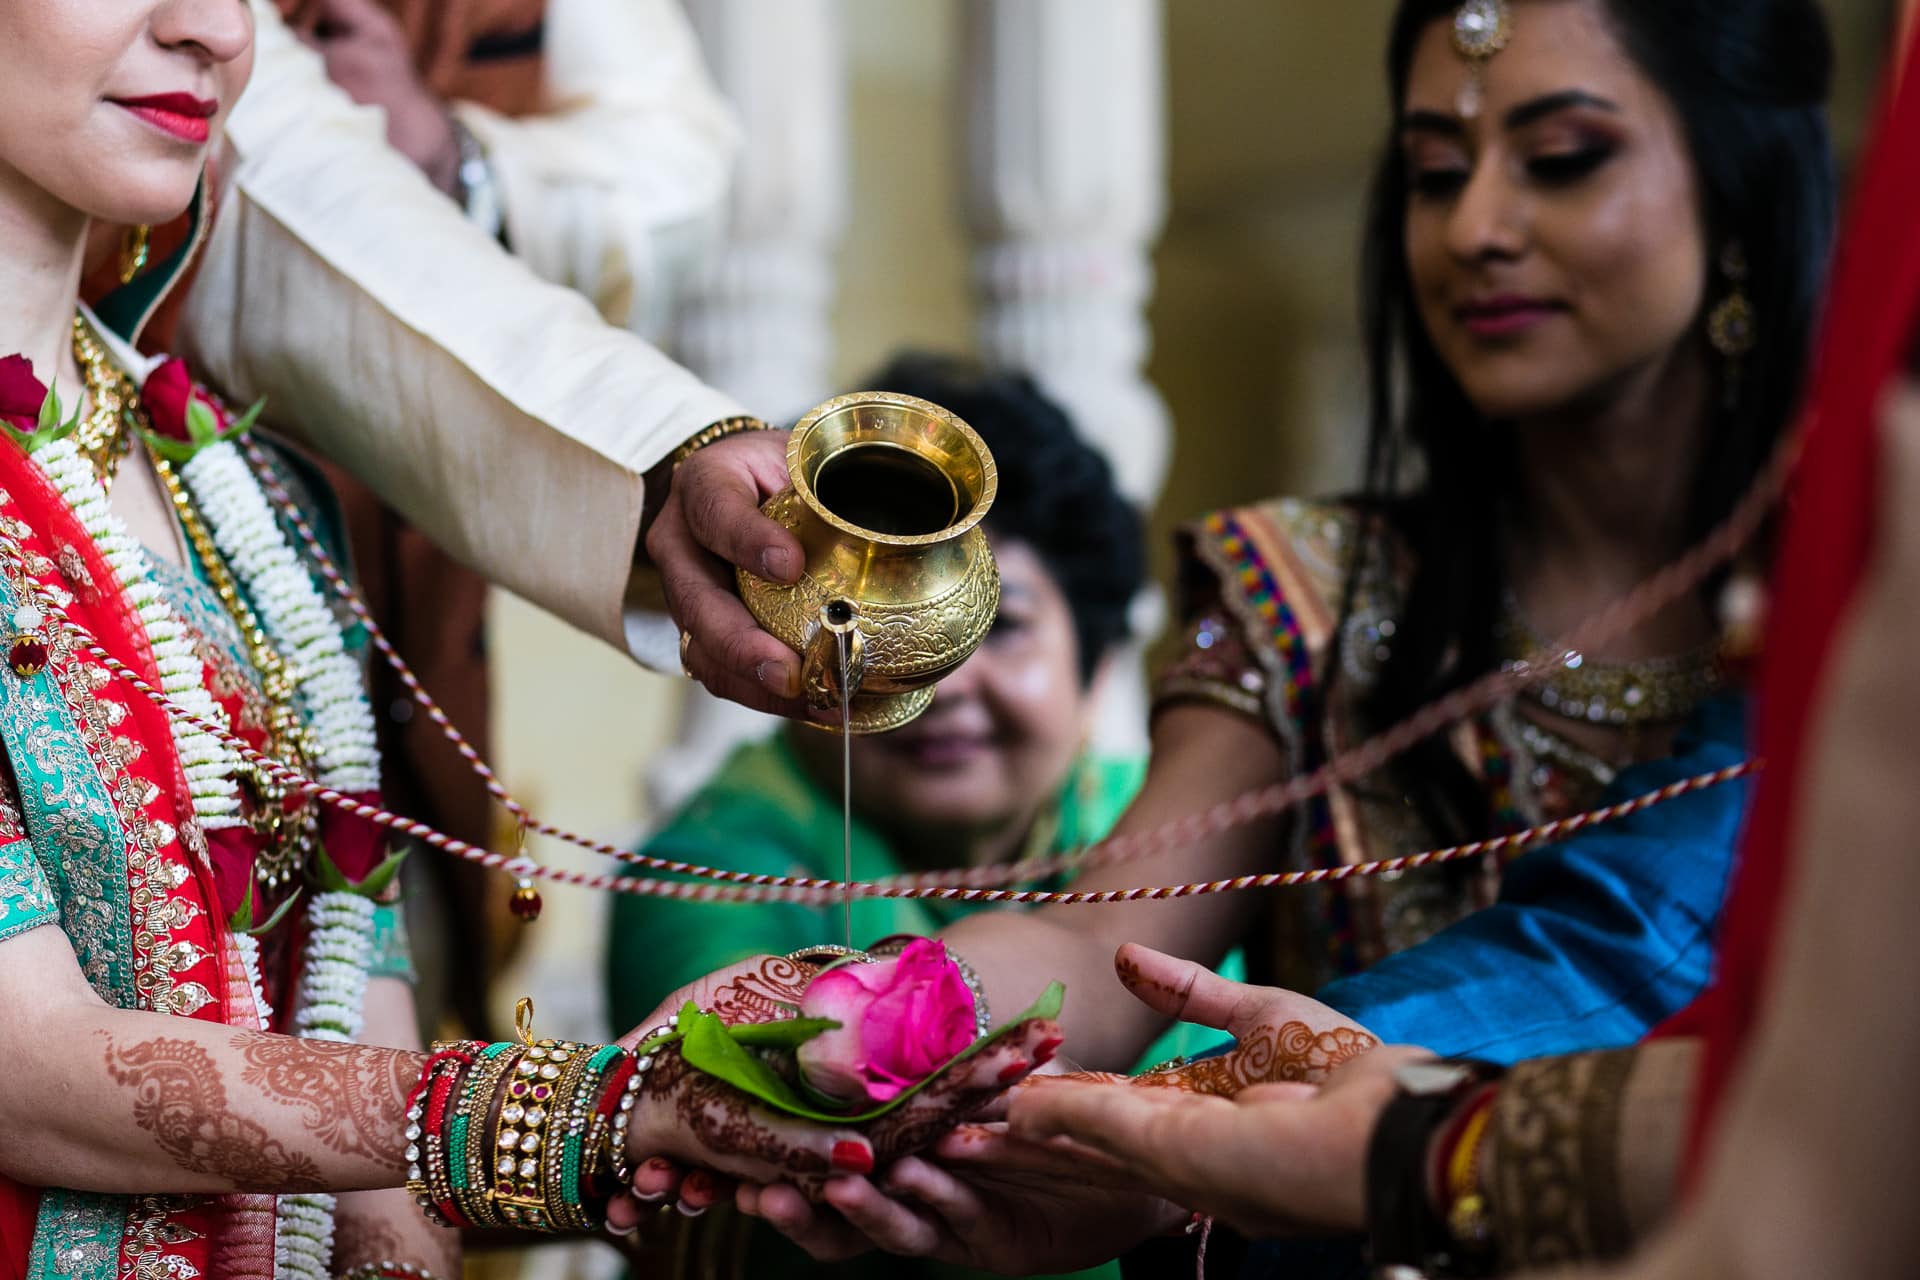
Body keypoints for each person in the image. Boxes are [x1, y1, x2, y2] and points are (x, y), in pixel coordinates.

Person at [0, 5, 1052, 1278]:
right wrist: (598, 1107)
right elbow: (27, 1065)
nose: (220, 27)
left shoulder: (244, 490)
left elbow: (355, 989)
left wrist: (646, 1113)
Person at [658, 0, 1832, 1087]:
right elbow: (1101, 939)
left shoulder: (1860, 586)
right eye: (1433, 173)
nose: (1474, 226)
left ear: (1741, 189)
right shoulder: (1304, 591)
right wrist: (875, 1019)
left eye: (1563, 159)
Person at [265, 0, 739, 1040]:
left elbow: (682, 173)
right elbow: (274, 169)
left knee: (403, 1017)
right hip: (176, 518)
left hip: (428, 594)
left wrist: (457, 155)